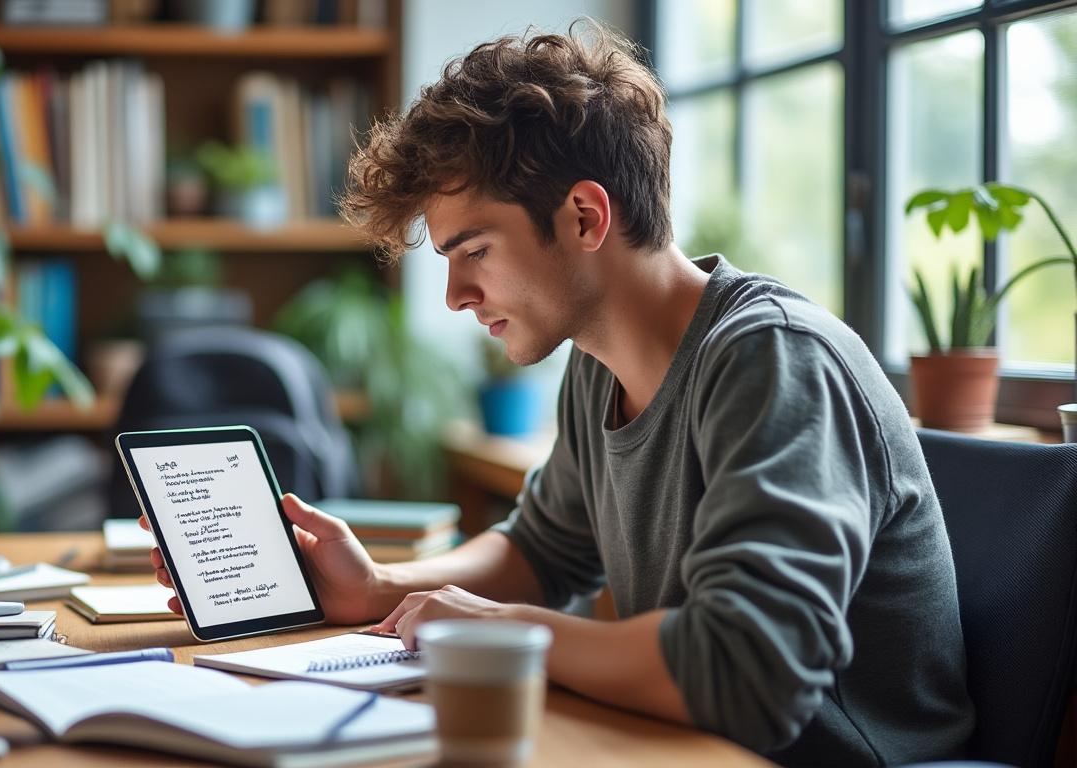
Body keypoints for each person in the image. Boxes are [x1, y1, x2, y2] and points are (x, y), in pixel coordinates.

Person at [143, 21, 973, 766]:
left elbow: (745, 671)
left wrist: (499, 629)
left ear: (584, 216)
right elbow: (542, 552)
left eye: (474, 250)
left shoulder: (775, 362)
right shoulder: (598, 365)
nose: (455, 297)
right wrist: (380, 590)